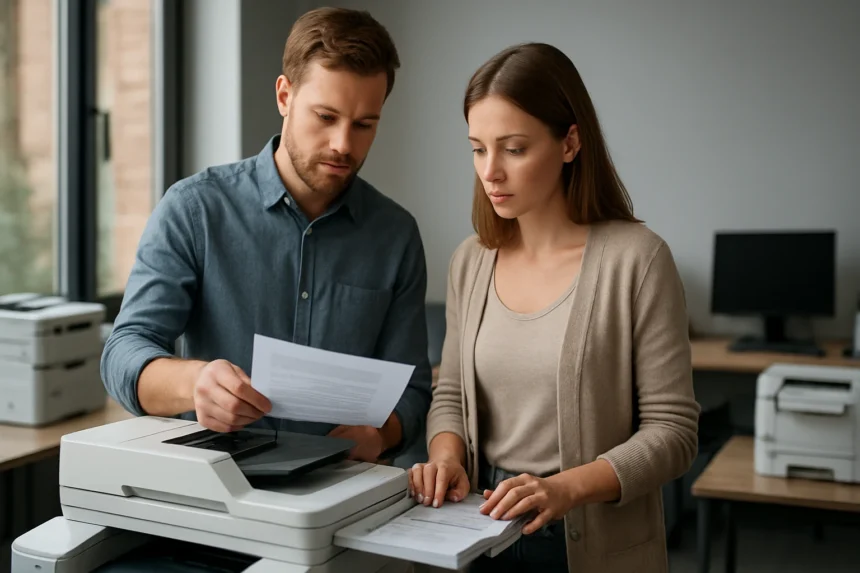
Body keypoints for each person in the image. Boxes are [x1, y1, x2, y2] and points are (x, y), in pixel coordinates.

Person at [408, 43, 700, 573]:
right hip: (478, 528)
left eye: (513, 149)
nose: (490, 172)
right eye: (477, 149)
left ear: (570, 142)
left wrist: (565, 489)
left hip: (584, 539)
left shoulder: (639, 260)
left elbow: (673, 432)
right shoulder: (470, 262)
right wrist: (446, 456)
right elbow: (449, 391)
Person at [101, 7, 432, 464]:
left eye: (363, 125)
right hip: (216, 489)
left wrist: (382, 433)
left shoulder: (395, 236)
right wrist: (194, 382)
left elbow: (413, 391)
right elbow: (122, 354)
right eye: (326, 116)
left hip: (338, 492)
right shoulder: (194, 209)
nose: (343, 144)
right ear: (284, 95)